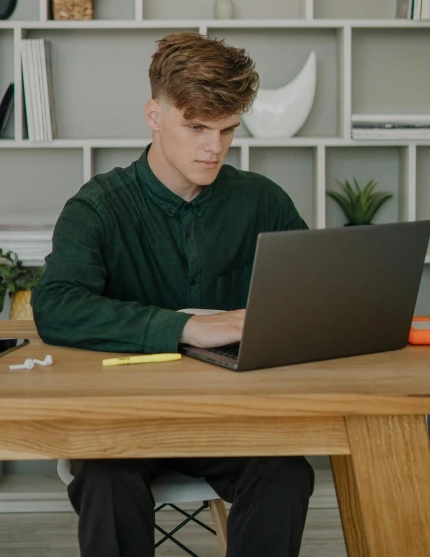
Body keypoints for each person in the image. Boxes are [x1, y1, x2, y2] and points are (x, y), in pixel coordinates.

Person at [32, 31, 315, 557]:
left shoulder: (262, 201)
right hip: (127, 424)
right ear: (154, 114)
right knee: (105, 482)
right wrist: (186, 326)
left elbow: (312, 293)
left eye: (228, 129)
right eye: (196, 126)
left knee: (287, 474)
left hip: (234, 423)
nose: (214, 147)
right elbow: (56, 306)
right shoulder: (97, 207)